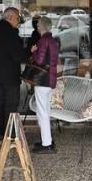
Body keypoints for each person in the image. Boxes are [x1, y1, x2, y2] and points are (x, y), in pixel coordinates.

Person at [0, 7, 28, 145]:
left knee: (0, 105)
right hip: (10, 75)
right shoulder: (10, 33)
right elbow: (18, 56)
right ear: (10, 17)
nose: (18, 22)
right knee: (11, 106)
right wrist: (29, 51)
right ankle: (11, 137)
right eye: (17, 19)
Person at [31, 16, 59, 154]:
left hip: (42, 80)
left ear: (40, 27)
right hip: (51, 79)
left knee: (42, 112)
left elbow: (40, 60)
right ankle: (46, 140)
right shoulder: (53, 41)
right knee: (46, 111)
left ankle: (46, 144)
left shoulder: (43, 40)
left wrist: (33, 51)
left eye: (38, 25)